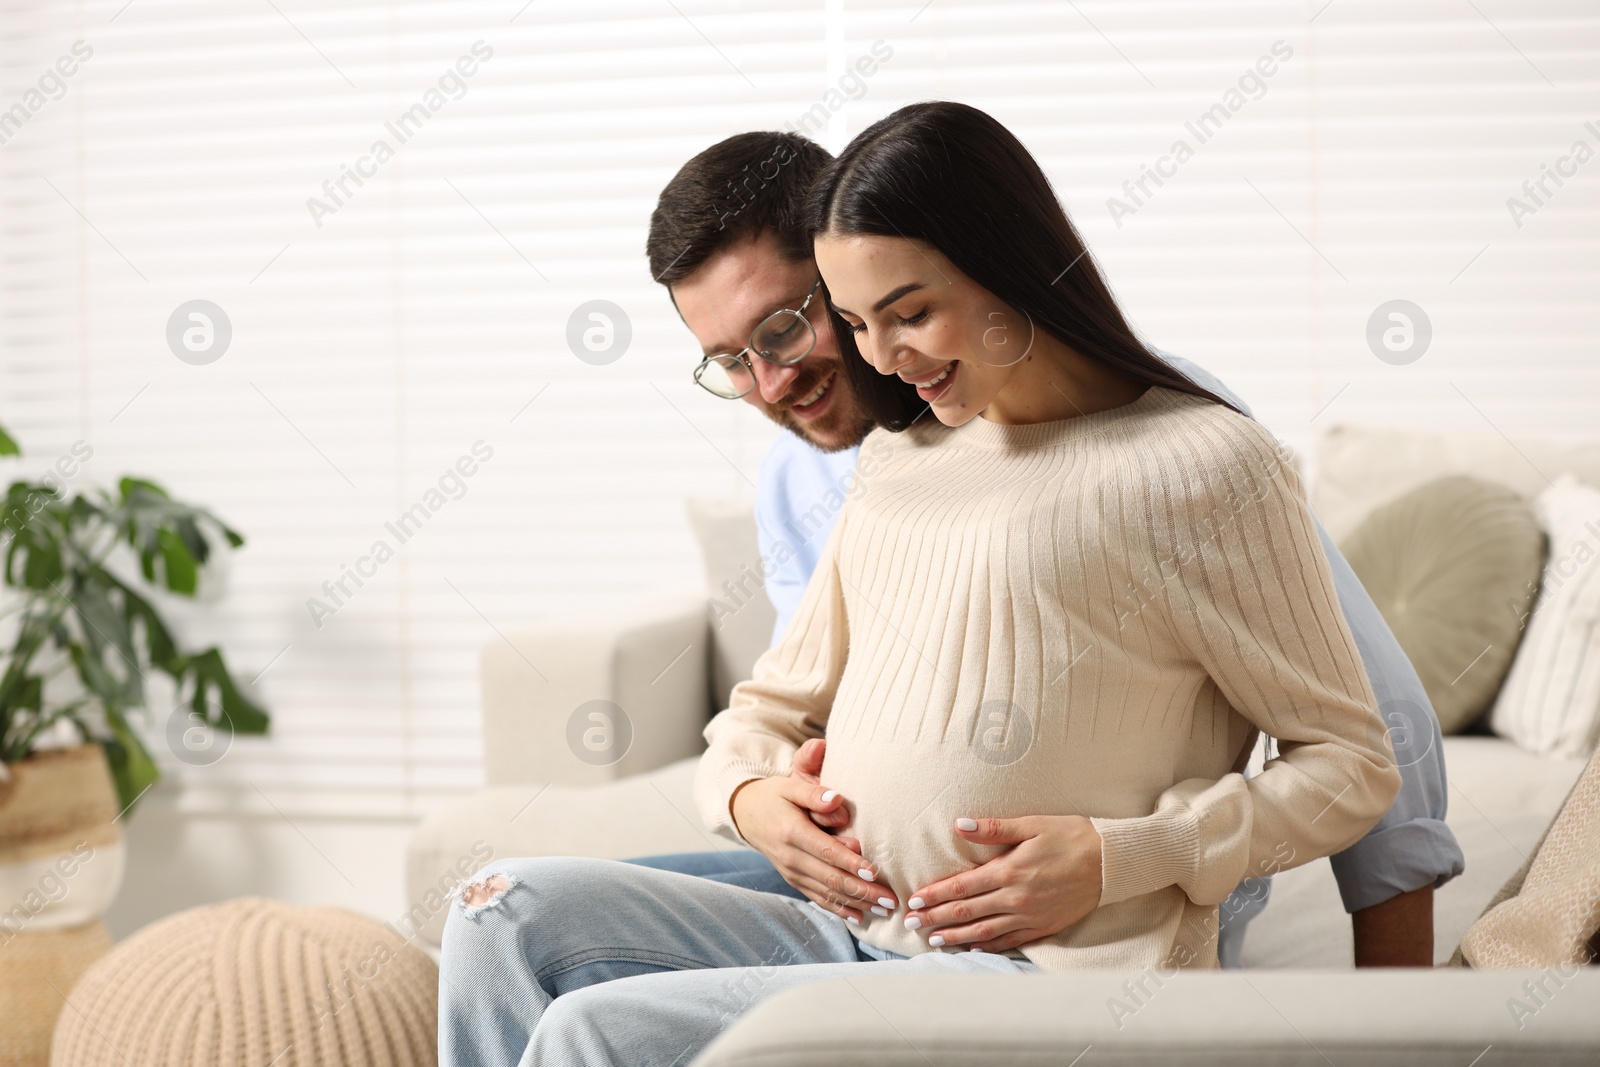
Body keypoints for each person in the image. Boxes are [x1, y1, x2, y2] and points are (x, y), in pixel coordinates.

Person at [435, 103, 1422, 1067]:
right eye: (860, 322)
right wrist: (745, 793)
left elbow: (1356, 753)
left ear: (1005, 263)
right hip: (871, 920)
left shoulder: (1199, 459)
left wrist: (1134, 854)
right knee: (498, 909)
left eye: (904, 314)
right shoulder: (899, 453)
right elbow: (775, 702)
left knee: (591, 1034)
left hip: (1047, 968)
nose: (880, 359)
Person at [632, 129, 1461, 966]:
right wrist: (752, 795)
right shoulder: (806, 474)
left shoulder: (1169, 446)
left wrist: (1397, 1015)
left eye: (782, 328)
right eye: (732, 361)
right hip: (871, 906)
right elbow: (792, 705)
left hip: (1089, 928)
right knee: (534, 924)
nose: (772, 381)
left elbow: (1370, 730)